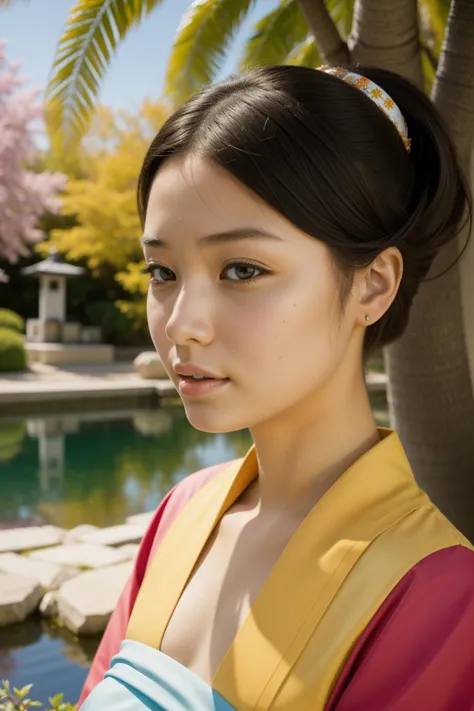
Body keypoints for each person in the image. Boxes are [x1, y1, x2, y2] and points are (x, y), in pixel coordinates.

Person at [78, 64, 474, 711]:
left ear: (373, 283)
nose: (181, 324)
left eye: (241, 269)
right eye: (163, 271)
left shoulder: (437, 591)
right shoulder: (181, 512)